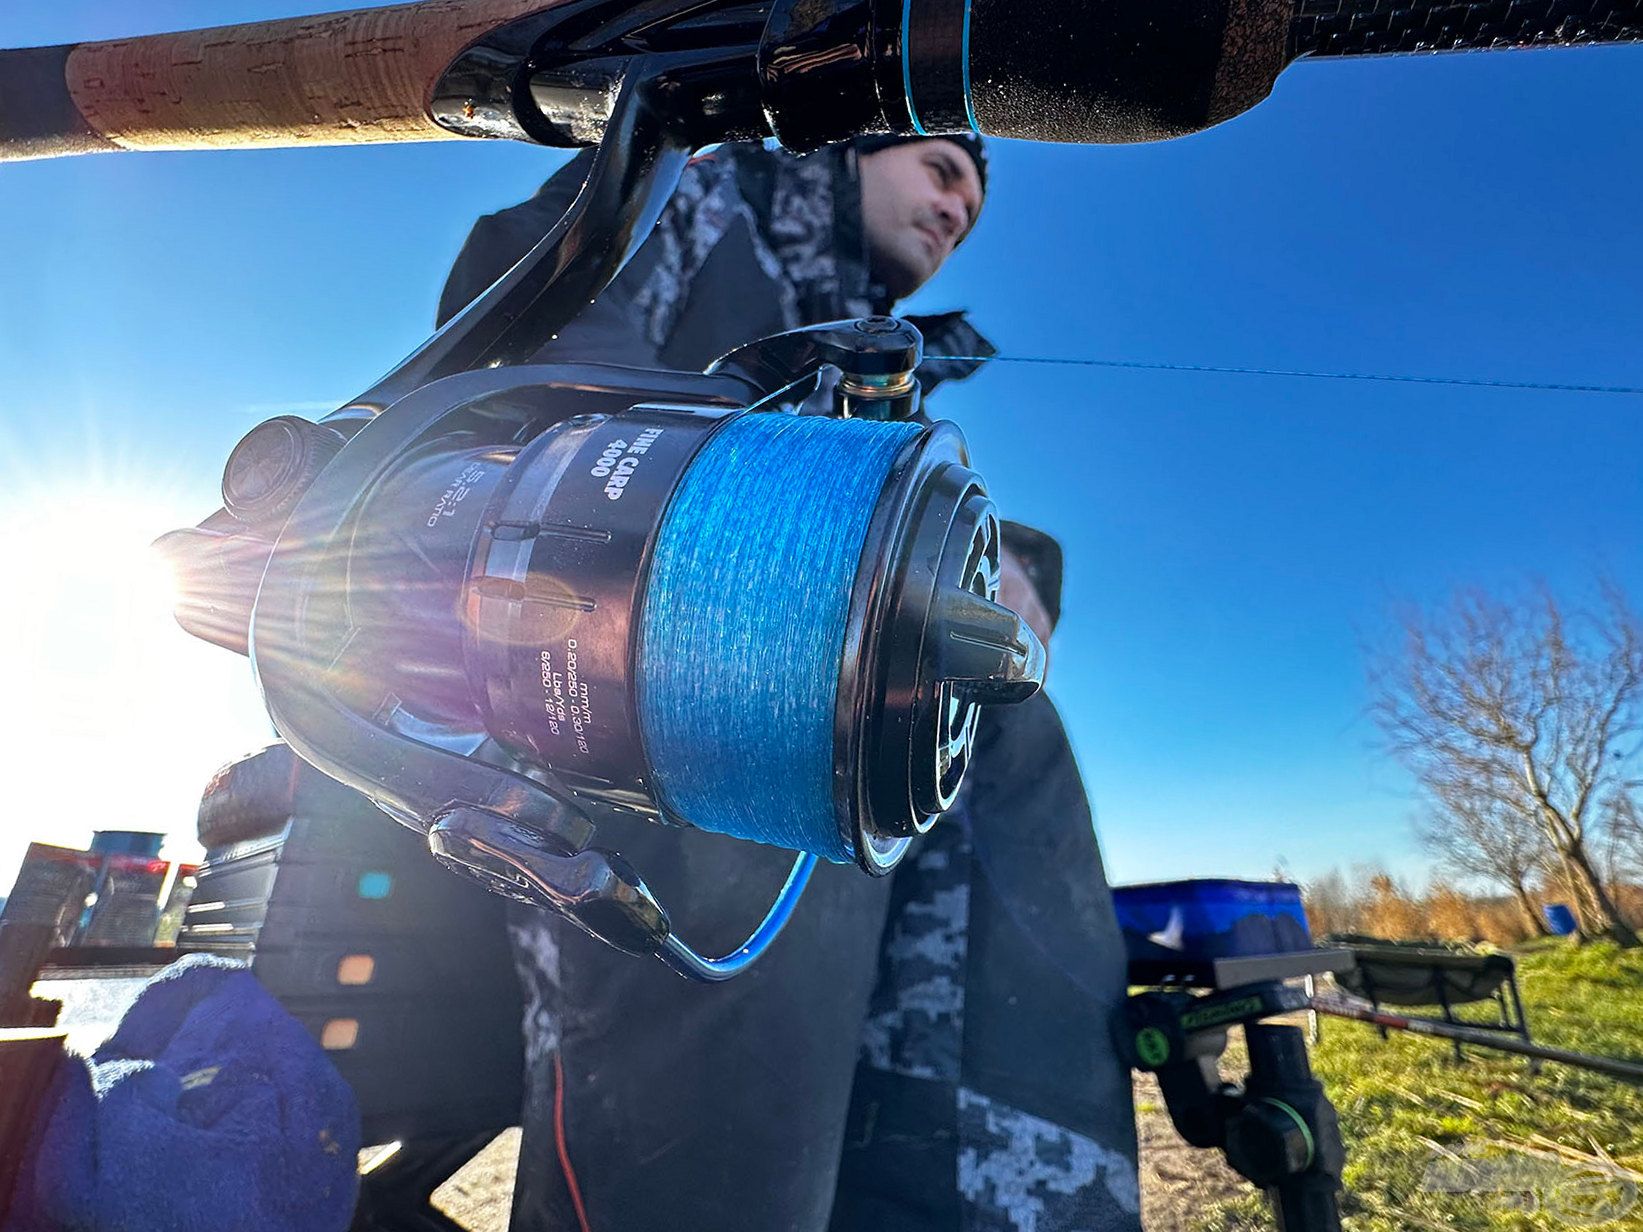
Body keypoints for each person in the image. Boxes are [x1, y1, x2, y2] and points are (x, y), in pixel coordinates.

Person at [438, 135, 1143, 1232]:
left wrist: (1004, 567)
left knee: (1014, 727)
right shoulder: (699, 195)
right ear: (856, 146)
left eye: (976, 198)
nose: (959, 203)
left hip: (874, 766)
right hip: (630, 732)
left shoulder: (891, 384)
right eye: (943, 166)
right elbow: (530, 352)